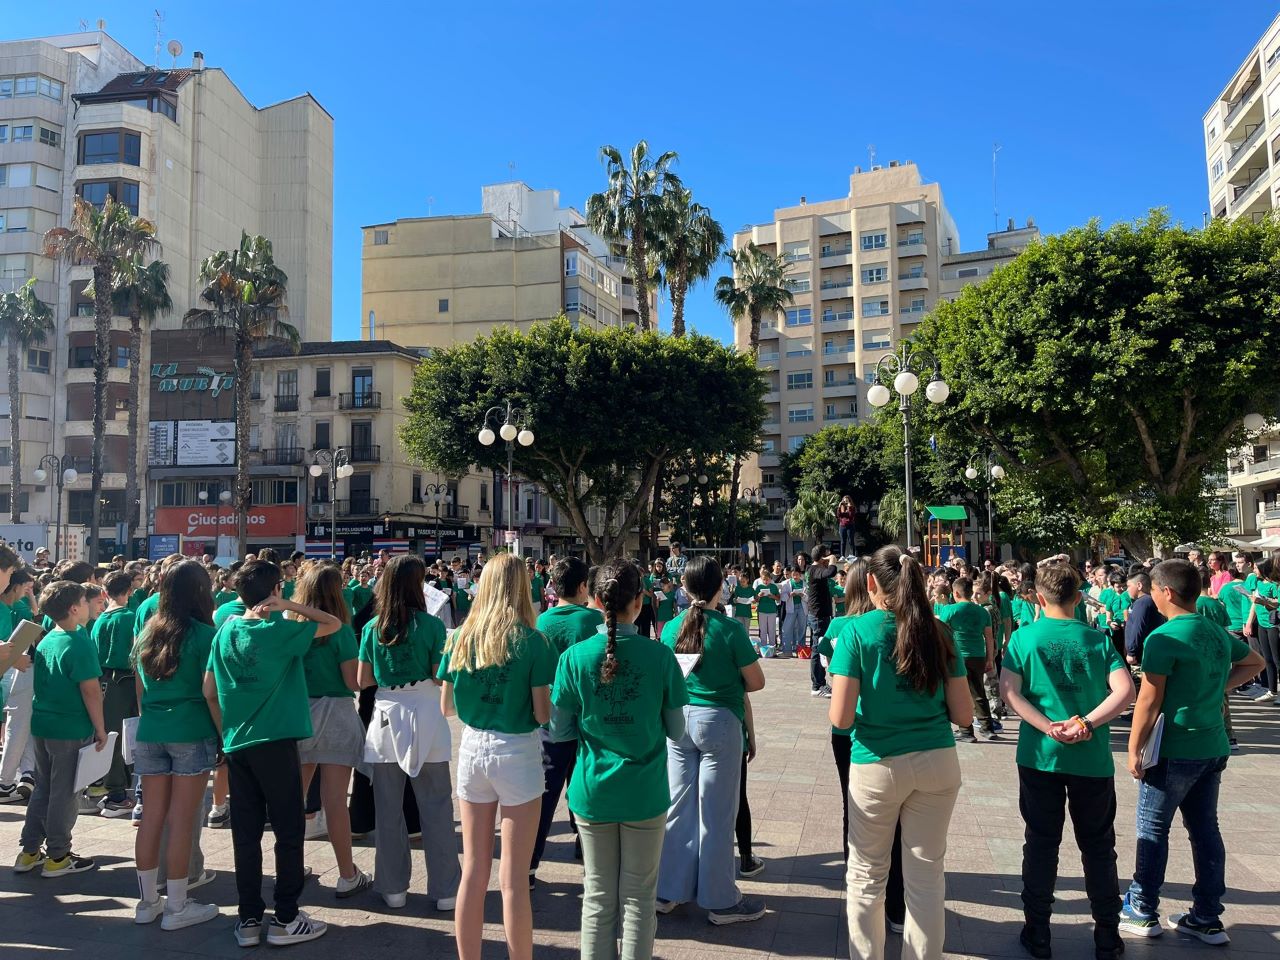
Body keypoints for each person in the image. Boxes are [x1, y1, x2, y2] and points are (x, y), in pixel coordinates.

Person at [827, 545, 972, 960]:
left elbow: (839, 719)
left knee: (867, 875)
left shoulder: (856, 632)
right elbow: (963, 714)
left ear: (870, 584)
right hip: (938, 762)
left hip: (877, 762)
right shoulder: (939, 631)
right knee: (926, 879)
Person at [1120, 559, 1264, 945]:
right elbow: (1255, 661)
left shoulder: (1163, 638)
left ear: (1165, 592)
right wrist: (1218, 691)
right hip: (1212, 745)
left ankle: (1142, 908)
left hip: (1174, 748)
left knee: (1153, 828)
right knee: (1204, 830)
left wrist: (1133, 750)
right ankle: (1206, 915)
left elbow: (1148, 702)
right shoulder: (1213, 632)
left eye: (1152, 590)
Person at [551, 558, 689, 960]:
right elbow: (677, 730)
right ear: (640, 602)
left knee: (596, 895)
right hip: (644, 791)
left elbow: (559, 731)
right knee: (639, 898)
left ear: (594, 600)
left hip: (592, 791)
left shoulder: (574, 658)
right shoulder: (660, 656)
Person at [999, 562, 1134, 960]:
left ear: (1038, 598)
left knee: (1041, 842)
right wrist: (1086, 721)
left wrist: (1048, 727)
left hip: (1041, 756)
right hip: (1091, 758)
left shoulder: (1024, 638)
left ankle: (1038, 930)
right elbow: (1124, 690)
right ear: (1078, 598)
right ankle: (1107, 934)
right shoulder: (1096, 640)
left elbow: (1010, 692)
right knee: (1098, 846)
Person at [203, 559, 340, 947]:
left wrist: (224, 733)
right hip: (276, 740)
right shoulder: (279, 630)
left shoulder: (225, 632)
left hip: (237, 743)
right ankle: (286, 916)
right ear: (277, 589)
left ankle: (248, 918)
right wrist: (291, 607)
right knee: (288, 829)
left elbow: (209, 692)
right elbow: (332, 623)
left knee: (245, 833)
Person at [438, 552, 558, 960]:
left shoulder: (459, 637)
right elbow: (543, 714)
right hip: (518, 750)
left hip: (473, 746)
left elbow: (446, 707)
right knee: (514, 878)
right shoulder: (535, 642)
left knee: (473, 870)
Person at [656, 556, 767, 925]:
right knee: (718, 814)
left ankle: (668, 890)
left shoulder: (671, 627)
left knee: (677, 809)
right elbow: (757, 682)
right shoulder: (730, 629)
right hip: (719, 722)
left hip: (679, 721)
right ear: (722, 587)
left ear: (685, 588)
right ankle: (720, 900)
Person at [358, 555, 459, 911]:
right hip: (426, 714)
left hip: (386, 715)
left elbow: (362, 680)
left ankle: (393, 887)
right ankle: (446, 890)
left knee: (388, 809)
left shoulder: (372, 628)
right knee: (436, 806)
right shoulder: (430, 627)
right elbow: (438, 675)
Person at [132, 560, 221, 931]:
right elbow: (209, 692)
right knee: (183, 821)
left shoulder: (148, 632)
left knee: (150, 817)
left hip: (151, 728)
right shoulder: (204, 634)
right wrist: (223, 736)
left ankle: (147, 901)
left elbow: (139, 689)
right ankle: (178, 906)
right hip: (191, 728)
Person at [15, 580, 106, 877]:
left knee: (45, 788)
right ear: (74, 608)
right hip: (69, 726)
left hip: (42, 723)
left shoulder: (48, 638)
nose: (91, 604)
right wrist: (101, 729)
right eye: (86, 599)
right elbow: (91, 690)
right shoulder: (79, 641)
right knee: (65, 793)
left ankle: (29, 851)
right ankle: (58, 854)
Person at [295, 563, 373, 899]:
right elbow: (351, 682)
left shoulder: (291, 629)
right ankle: (347, 874)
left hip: (299, 715)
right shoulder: (339, 630)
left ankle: (292, 865)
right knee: (336, 801)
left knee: (295, 798)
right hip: (336, 715)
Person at [530, 557, 603, 888]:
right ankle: (587, 849)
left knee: (546, 790)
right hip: (586, 717)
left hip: (548, 717)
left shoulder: (542, 621)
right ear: (583, 587)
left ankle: (530, 863)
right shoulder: (592, 620)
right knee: (584, 786)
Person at [91, 570, 138, 816]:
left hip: (102, 680)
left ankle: (113, 789)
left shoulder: (99, 619)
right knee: (123, 737)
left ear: (104, 592)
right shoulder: (130, 616)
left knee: (111, 736)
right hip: (126, 680)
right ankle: (116, 794)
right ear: (129, 591)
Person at [937, 577, 997, 742]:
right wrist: (990, 658)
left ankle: (966, 730)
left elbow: (940, 632)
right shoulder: (982, 611)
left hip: (958, 656)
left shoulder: (949, 610)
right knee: (979, 692)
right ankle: (987, 728)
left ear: (955, 593)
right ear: (971, 593)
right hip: (978, 654)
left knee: (959, 693)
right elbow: (989, 637)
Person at [804, 547, 837, 697]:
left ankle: (821, 683)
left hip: (820, 614)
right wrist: (832, 562)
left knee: (820, 647)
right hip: (818, 616)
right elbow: (830, 572)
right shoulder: (814, 569)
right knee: (818, 649)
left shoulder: (814, 569)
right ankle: (817, 686)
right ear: (822, 558)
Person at [755, 568, 780, 655]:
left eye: (767, 579)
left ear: (770, 579)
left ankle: (773, 649)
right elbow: (755, 600)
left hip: (772, 611)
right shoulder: (759, 587)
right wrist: (759, 596)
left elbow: (778, 598)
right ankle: (763, 649)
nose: (766, 581)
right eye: (764, 579)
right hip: (762, 610)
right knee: (763, 630)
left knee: (772, 630)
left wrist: (772, 596)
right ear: (761, 579)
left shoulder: (773, 586)